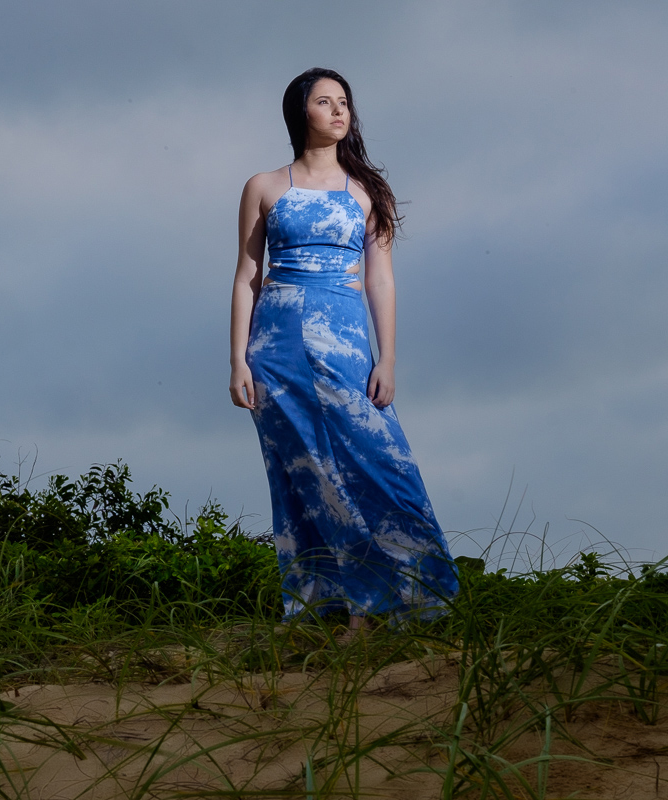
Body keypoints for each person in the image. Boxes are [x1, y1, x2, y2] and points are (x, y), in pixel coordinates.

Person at [228, 67, 458, 635]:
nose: (338, 111)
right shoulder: (264, 186)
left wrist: (388, 358)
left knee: (378, 464)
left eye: (345, 103)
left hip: (346, 339)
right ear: (298, 112)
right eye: (325, 101)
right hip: (274, 347)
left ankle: (406, 598)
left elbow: (381, 280)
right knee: (301, 473)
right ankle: (323, 607)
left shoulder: (366, 192)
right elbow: (246, 278)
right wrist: (237, 359)